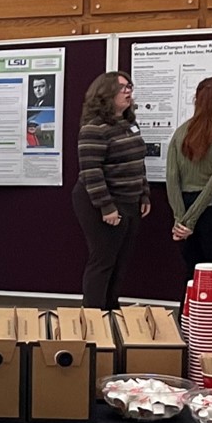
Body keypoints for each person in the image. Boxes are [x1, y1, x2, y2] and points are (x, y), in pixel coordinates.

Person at [73, 71, 150, 309]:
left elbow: (138, 161)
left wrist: (144, 193)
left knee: (120, 261)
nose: (129, 92)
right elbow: (91, 171)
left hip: (130, 201)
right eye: (123, 88)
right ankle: (95, 318)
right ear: (106, 94)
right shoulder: (94, 128)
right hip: (101, 202)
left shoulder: (129, 124)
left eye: (130, 87)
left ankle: (111, 311)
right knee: (103, 261)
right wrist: (107, 207)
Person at [165, 77, 212, 292]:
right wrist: (189, 221)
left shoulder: (180, 132)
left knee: (191, 274)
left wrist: (181, 220)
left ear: (196, 100)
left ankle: (186, 323)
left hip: (184, 206)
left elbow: (171, 177)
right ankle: (210, 324)